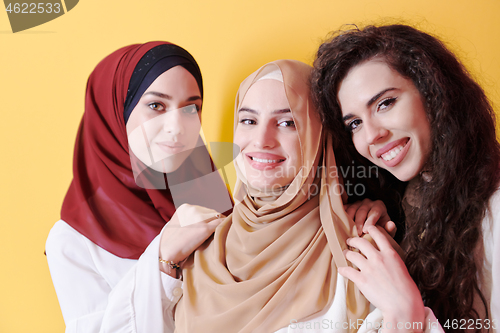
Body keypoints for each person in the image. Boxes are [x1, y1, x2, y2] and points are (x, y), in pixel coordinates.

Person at [101, 59, 443, 332]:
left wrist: (407, 314)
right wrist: (162, 261)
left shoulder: (360, 250)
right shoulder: (196, 245)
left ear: (317, 139)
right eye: (248, 121)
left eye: (288, 122)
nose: (261, 140)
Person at [311, 24, 500, 329]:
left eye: (385, 103)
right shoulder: (411, 205)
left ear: (434, 93)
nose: (372, 134)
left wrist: (407, 313)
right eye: (355, 123)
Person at [45, 42, 233, 332]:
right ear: (114, 113)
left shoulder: (210, 196)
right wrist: (163, 258)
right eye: (156, 105)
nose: (176, 126)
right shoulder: (73, 241)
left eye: (190, 107)